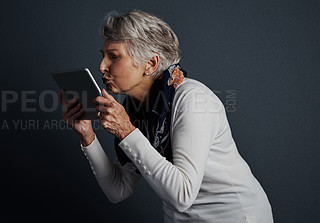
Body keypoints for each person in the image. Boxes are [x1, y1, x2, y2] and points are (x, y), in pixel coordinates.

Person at [59, 9, 273, 223]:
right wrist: (88, 137)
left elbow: (182, 195)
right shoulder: (135, 108)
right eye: (103, 56)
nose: (102, 66)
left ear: (150, 64)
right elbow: (118, 190)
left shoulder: (192, 99)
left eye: (114, 57)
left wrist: (126, 131)